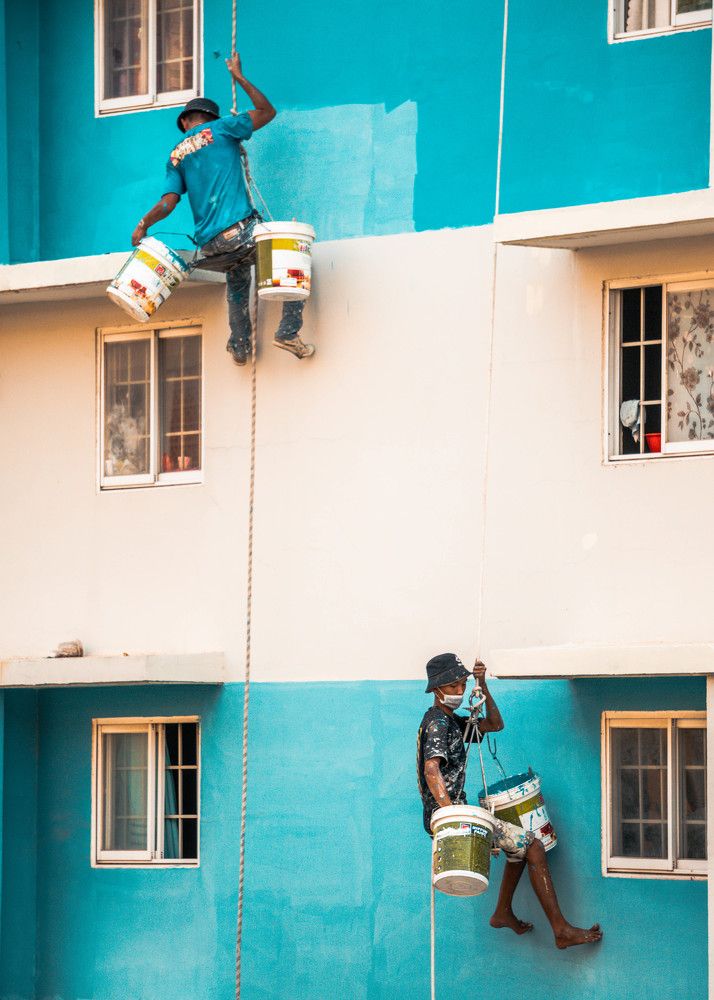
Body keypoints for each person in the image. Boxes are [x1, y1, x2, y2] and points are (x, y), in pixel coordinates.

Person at [132, 53, 314, 366]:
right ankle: (287, 331)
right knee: (290, 252)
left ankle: (240, 347)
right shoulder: (223, 128)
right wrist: (239, 77)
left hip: (211, 246)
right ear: (210, 117)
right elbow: (267, 112)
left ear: (186, 122)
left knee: (238, 277)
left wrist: (142, 224)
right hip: (239, 231)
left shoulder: (176, 155)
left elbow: (168, 203)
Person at [417, 653, 603, 950]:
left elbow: (495, 723)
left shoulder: (452, 721)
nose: (460, 691)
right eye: (453, 686)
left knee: (518, 850)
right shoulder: (437, 723)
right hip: (453, 818)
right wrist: (452, 817)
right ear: (437, 688)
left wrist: (482, 684)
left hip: (457, 813)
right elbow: (431, 770)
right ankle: (560, 930)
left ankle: (503, 912)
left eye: (463, 684)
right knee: (533, 846)